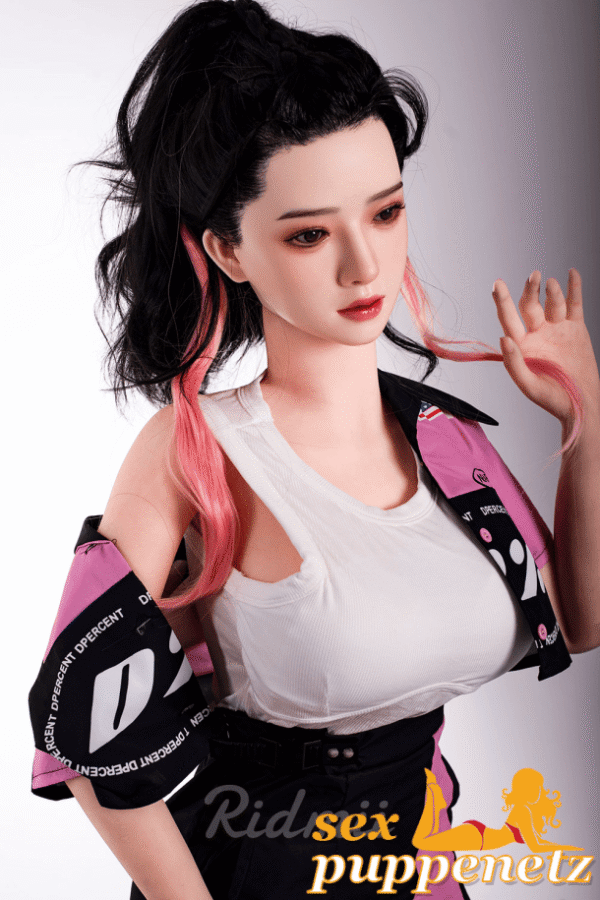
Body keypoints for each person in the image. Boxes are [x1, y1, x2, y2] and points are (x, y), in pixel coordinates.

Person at [27, 1, 600, 898]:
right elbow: (90, 734)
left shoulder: (443, 437)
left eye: (386, 213)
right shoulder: (195, 448)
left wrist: (583, 422)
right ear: (229, 250)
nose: (363, 266)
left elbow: (578, 621)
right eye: (308, 233)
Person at [412, 768, 583, 853]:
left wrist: (561, 846)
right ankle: (434, 793)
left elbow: (537, 843)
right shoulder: (522, 810)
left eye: (538, 787)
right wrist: (565, 847)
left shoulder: (526, 811)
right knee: (421, 842)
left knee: (426, 841)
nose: (538, 791)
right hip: (478, 837)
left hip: (479, 836)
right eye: (534, 787)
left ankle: (435, 799)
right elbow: (536, 847)